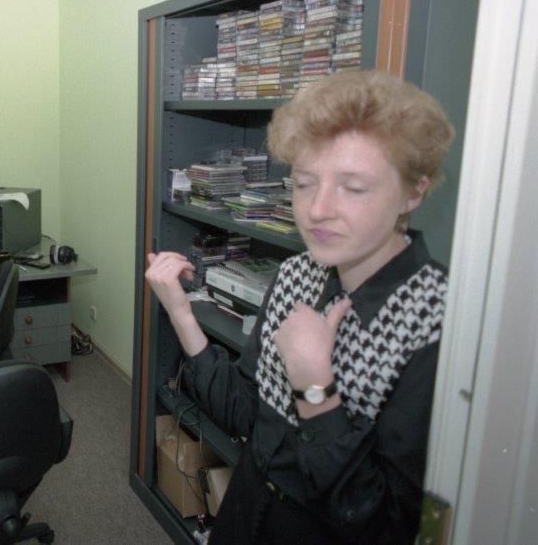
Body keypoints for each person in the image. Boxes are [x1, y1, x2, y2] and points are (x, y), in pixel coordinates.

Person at [146, 70, 455, 544]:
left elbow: (383, 522)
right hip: (247, 515)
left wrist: (314, 387)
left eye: (353, 187)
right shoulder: (297, 275)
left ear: (413, 192)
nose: (317, 209)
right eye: (305, 184)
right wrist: (181, 312)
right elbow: (248, 415)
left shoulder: (438, 322)